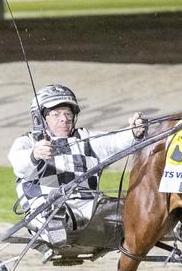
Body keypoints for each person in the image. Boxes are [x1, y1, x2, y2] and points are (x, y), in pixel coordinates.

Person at [8, 84, 145, 245]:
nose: (64, 119)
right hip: (45, 208)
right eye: (56, 114)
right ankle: (56, 227)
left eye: (68, 113)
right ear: (40, 118)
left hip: (88, 208)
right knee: (52, 212)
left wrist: (133, 132)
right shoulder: (28, 142)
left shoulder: (85, 138)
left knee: (132, 208)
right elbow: (19, 164)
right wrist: (34, 154)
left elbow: (115, 141)